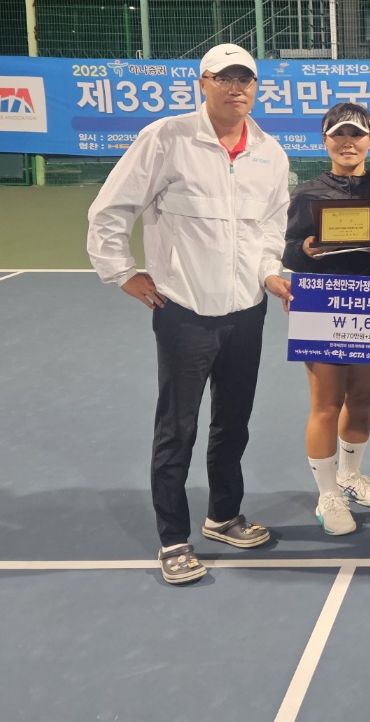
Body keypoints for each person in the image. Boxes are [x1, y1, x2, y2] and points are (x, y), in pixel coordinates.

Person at [87, 43, 292, 586]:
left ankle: (223, 515)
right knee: (177, 428)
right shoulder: (166, 138)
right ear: (202, 83)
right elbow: (110, 210)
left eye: (245, 79)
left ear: (256, 86)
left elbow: (271, 228)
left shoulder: (270, 153)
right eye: (224, 78)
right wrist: (121, 271)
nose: (236, 88)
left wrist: (269, 272)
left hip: (247, 313)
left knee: (233, 422)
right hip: (184, 312)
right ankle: (173, 539)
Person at [282, 102, 370, 537]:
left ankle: (349, 477)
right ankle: (327, 496)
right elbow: (290, 251)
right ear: (325, 141)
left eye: (356, 134)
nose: (348, 142)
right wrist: (306, 250)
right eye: (339, 134)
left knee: (361, 400)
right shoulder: (307, 193)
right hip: (323, 305)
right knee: (325, 404)